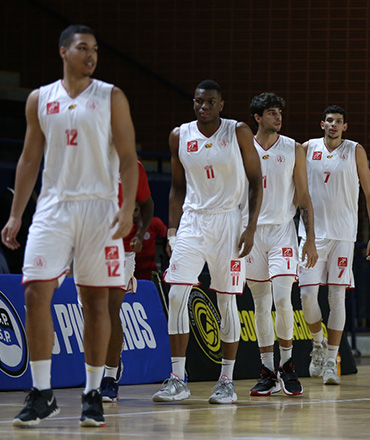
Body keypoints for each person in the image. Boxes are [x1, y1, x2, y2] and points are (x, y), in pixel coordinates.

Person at [1, 24, 138, 427]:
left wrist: (127, 207)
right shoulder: (39, 99)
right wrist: (15, 214)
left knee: (96, 303)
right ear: (64, 51)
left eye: (95, 49)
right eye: (83, 48)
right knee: (35, 293)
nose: (91, 55)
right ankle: (41, 393)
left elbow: (129, 159)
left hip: (100, 208)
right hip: (53, 208)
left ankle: (92, 392)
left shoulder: (111, 96)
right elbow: (28, 160)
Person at [152, 79, 262, 404]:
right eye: (199, 101)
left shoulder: (238, 131)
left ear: (221, 104)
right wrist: (172, 232)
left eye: (210, 102)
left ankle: (226, 380)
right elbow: (176, 188)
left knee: (226, 302)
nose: (204, 107)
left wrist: (250, 227)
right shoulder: (179, 136)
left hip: (230, 220)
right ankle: (177, 378)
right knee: (176, 295)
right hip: (192, 222)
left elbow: (256, 183)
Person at [245, 93, 317, 397]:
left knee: (283, 299)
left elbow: (303, 196)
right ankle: (267, 370)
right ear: (258, 117)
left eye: (280, 113)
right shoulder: (242, 147)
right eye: (272, 113)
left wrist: (309, 238)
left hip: (282, 231)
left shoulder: (294, 148)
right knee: (260, 305)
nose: (279, 118)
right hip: (251, 233)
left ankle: (287, 365)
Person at [298, 105, 370, 385]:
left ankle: (331, 360)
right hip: (311, 235)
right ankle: (318, 343)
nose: (334, 125)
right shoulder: (306, 148)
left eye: (339, 121)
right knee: (306, 296)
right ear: (322, 123)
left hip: (342, 235)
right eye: (329, 120)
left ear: (345, 126)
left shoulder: (355, 150)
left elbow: (367, 191)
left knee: (336, 299)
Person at [100, 160, 154, 402]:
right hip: (90, 244)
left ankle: (109, 377)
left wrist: (141, 233)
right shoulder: (85, 157)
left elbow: (147, 204)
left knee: (111, 309)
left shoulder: (133, 165)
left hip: (121, 248)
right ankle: (106, 365)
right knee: (93, 311)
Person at [134, 216, 167, 280]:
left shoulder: (154, 223)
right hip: (131, 272)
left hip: (150, 272)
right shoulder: (125, 226)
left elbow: (167, 236)